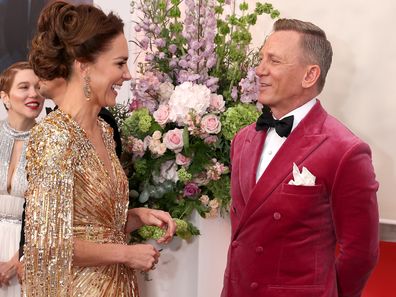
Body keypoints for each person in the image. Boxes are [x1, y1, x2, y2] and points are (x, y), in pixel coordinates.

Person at [23, 2, 176, 296]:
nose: (128, 75)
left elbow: (93, 228)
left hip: (117, 287)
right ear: (84, 66)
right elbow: (47, 243)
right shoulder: (54, 136)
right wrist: (126, 254)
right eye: (120, 63)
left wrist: (136, 216)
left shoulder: (104, 131)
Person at [221, 18, 379, 297]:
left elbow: (360, 253)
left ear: (310, 75)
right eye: (261, 59)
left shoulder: (346, 151)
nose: (260, 70)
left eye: (274, 61)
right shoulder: (243, 140)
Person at [0, 61, 44, 296]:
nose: (33, 94)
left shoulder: (50, 142)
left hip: (29, 255)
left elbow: (52, 212)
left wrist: (20, 257)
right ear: (5, 97)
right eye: (24, 87)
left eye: (38, 87)